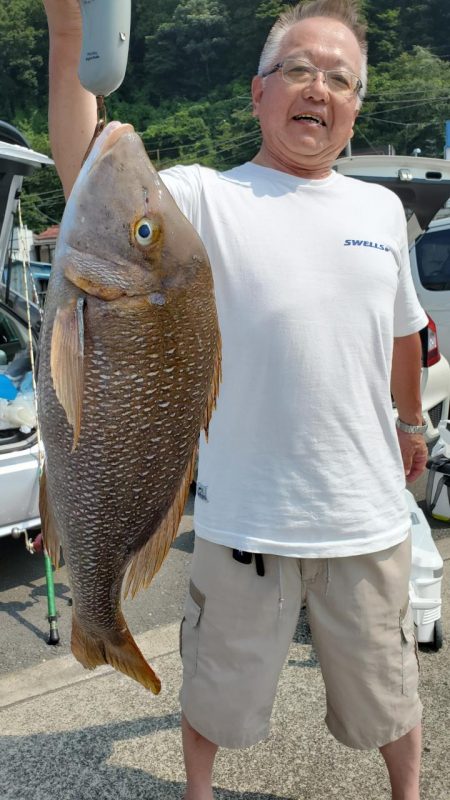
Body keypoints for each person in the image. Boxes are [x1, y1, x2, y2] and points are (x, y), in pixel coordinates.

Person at [42, 2, 429, 798]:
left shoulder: (382, 211)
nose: (318, 87)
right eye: (298, 70)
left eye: (339, 78)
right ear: (258, 93)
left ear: (355, 109)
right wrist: (70, 35)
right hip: (241, 516)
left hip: (366, 511)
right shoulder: (202, 198)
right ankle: (198, 793)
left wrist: (411, 418)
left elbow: (404, 331)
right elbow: (88, 169)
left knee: (390, 694)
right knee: (214, 692)